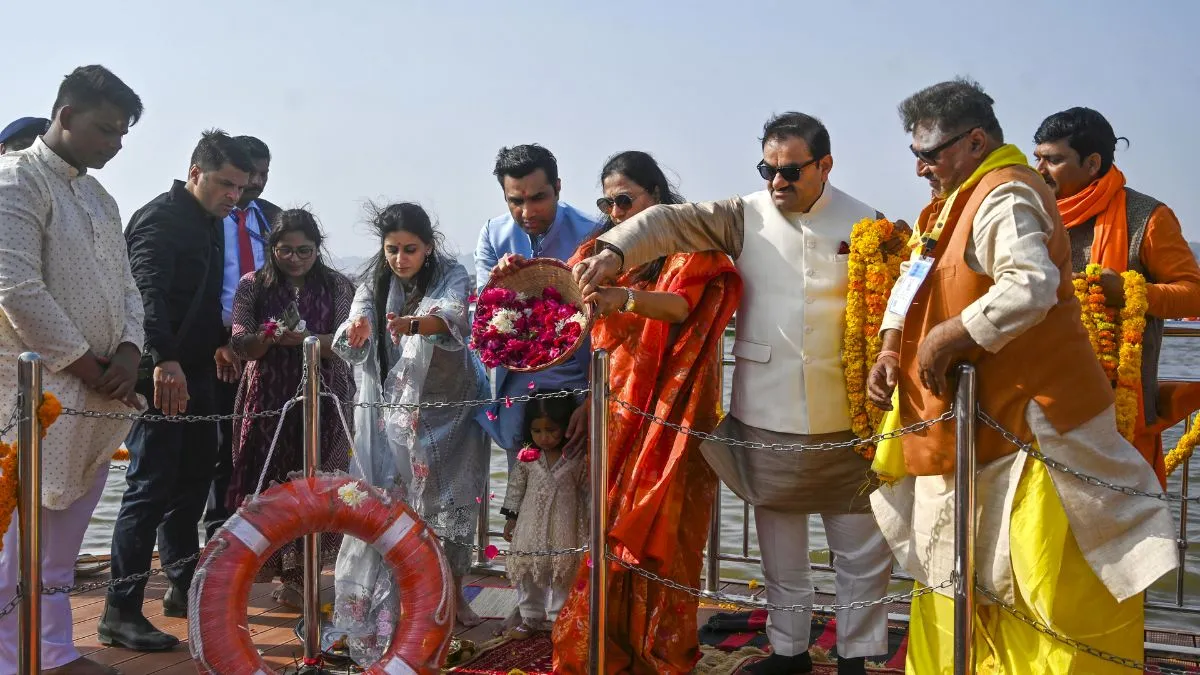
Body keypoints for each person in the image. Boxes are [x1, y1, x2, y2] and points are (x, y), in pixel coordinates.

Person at [866, 78, 1177, 673]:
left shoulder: (1006, 195)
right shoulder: (951, 203)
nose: (919, 170)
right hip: (967, 432)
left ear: (975, 140)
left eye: (929, 155)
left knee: (1041, 589)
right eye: (915, 156)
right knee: (954, 583)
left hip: (1036, 432)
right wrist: (889, 350)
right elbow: (911, 285)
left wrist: (948, 336)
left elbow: (1029, 285)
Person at [572, 118, 897, 675]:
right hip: (767, 410)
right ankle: (789, 653)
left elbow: (900, 299)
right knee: (781, 552)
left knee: (861, 554)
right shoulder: (741, 215)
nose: (777, 181)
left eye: (790, 171)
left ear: (825, 165)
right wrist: (613, 252)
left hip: (852, 416)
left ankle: (856, 659)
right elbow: (668, 222)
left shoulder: (871, 222)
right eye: (767, 169)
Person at [547, 151, 740, 673]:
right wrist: (511, 276)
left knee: (666, 529)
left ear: (656, 197)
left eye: (625, 199)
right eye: (606, 200)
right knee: (608, 521)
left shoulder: (688, 244)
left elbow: (681, 307)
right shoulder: (598, 251)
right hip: (617, 403)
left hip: (675, 409)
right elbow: (557, 297)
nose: (614, 210)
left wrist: (624, 298)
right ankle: (606, 640)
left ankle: (660, 644)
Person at [0, 64, 144, 675]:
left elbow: (128, 288)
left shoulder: (98, 195)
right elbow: (16, 287)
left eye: (121, 135)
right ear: (64, 116)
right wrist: (86, 365)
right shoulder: (15, 182)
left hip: (100, 392)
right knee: (21, 539)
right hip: (40, 391)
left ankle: (53, 651)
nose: (113, 144)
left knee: (61, 543)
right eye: (105, 129)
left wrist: (133, 353)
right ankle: (13, 660)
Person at [101, 130, 254, 651]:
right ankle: (120, 610)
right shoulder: (162, 219)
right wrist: (162, 359)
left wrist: (220, 343)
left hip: (199, 370)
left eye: (241, 187)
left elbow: (205, 298)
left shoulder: (210, 222)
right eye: (225, 184)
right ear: (195, 173)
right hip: (162, 371)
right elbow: (145, 294)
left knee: (194, 476)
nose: (235, 195)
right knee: (150, 486)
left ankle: (181, 584)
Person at [331, 202, 490, 663]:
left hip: (450, 410)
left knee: (448, 507)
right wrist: (358, 326)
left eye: (410, 250)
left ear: (428, 246)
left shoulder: (450, 273)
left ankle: (449, 597)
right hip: (393, 414)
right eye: (393, 250)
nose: (401, 259)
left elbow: (455, 318)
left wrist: (413, 324)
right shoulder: (373, 283)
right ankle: (386, 604)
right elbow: (354, 328)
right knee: (386, 501)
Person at [1033, 107, 1200, 486]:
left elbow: (1193, 295)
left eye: (1054, 160)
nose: (1040, 170)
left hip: (1118, 411)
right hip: (1037, 402)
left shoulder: (1147, 217)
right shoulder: (1030, 215)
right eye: (1038, 158)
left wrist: (1127, 291)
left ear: (1092, 163)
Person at [224, 208, 355, 606]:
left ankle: (305, 574)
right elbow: (240, 341)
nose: (294, 259)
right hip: (266, 398)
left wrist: (305, 339)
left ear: (318, 249)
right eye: (285, 251)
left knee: (316, 480)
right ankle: (270, 569)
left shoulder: (337, 285)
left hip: (326, 396)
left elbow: (349, 341)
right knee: (267, 479)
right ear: (271, 249)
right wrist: (265, 339)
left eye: (304, 251)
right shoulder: (253, 285)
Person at [474, 144, 597, 466]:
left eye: (537, 198)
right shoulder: (492, 235)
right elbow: (484, 315)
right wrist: (496, 283)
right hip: (517, 385)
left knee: (584, 497)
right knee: (523, 496)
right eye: (516, 201)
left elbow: (610, 325)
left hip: (581, 385)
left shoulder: (594, 233)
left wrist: (596, 398)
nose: (527, 212)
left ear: (558, 188)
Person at [205, 134, 282, 539]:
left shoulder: (273, 217)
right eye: (251, 173)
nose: (257, 183)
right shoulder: (208, 216)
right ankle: (215, 542)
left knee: (264, 446)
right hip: (216, 347)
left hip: (268, 348)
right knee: (219, 451)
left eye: (265, 174)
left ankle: (262, 539)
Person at [500, 393, 588, 640]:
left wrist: (594, 521)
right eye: (537, 431)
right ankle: (530, 617)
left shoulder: (576, 458)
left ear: (566, 427)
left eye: (551, 430)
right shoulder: (527, 457)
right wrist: (511, 517)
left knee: (563, 573)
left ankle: (559, 618)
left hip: (566, 525)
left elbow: (587, 490)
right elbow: (515, 487)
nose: (544, 437)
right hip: (530, 526)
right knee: (528, 573)